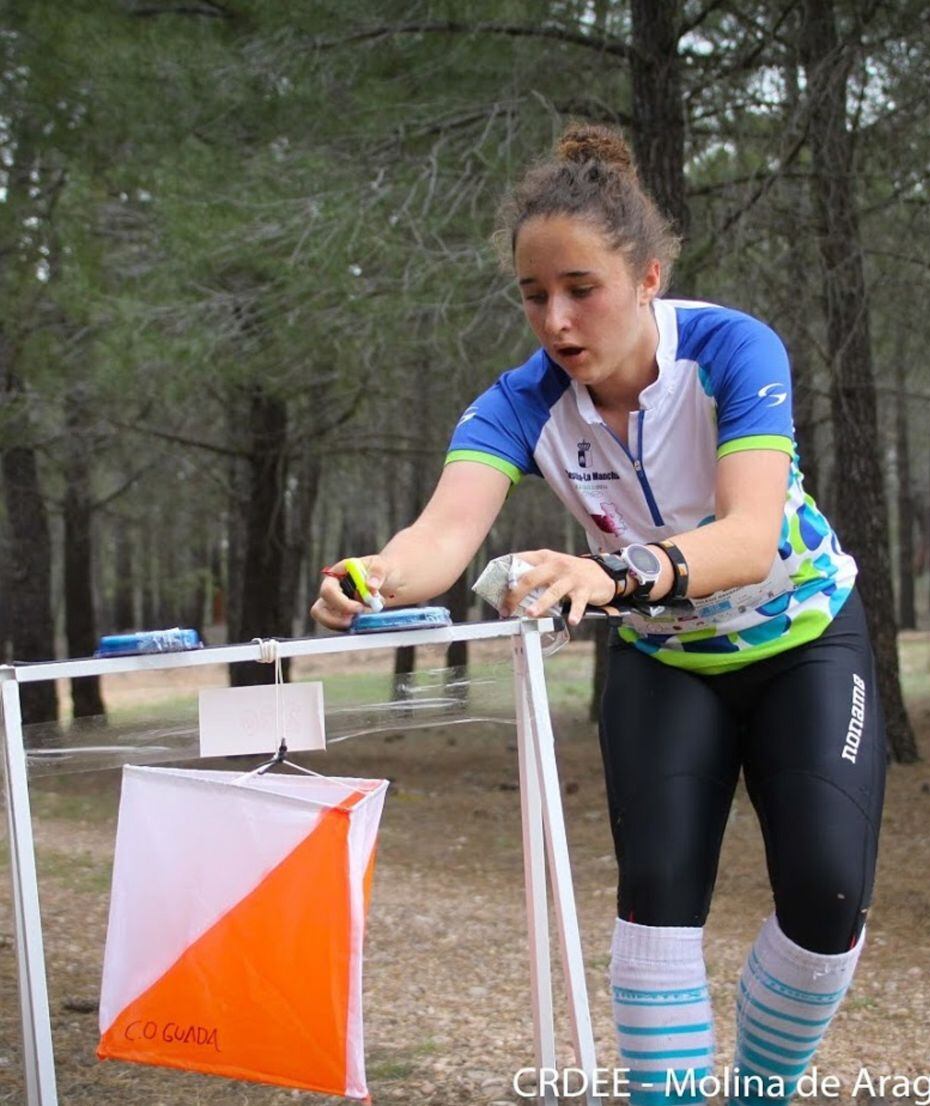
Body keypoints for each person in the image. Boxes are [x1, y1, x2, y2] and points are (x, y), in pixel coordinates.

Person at [312, 123, 886, 1106]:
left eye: (582, 288)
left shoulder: (733, 347)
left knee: (828, 893)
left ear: (649, 276)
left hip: (802, 641)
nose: (557, 319)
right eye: (535, 295)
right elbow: (440, 539)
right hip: (666, 666)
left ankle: (758, 1090)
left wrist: (615, 573)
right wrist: (375, 574)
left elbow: (750, 536)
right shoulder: (520, 401)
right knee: (658, 897)